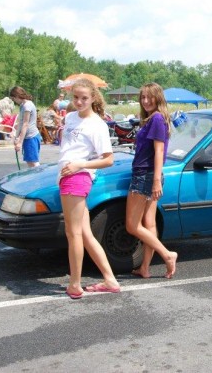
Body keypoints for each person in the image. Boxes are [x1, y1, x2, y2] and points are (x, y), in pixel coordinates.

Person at [59, 78, 121, 299]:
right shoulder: (69, 118)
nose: (79, 101)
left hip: (77, 177)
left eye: (84, 98)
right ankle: (110, 280)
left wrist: (79, 164)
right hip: (68, 175)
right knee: (83, 233)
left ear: (93, 98)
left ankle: (75, 285)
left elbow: (108, 159)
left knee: (73, 233)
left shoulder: (97, 125)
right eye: (75, 97)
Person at [126, 82, 177, 279]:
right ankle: (145, 268)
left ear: (158, 98)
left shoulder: (156, 118)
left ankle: (167, 254)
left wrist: (156, 180)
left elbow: (159, 151)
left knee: (132, 225)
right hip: (149, 175)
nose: (146, 101)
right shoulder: (154, 118)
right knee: (149, 223)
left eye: (150, 97)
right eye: (143, 97)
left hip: (145, 176)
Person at [9, 86, 42, 167]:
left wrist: (20, 142)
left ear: (17, 96)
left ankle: (39, 178)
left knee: (34, 162)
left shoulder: (27, 106)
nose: (14, 101)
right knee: (29, 161)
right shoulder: (22, 106)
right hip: (27, 137)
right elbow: (20, 122)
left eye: (13, 99)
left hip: (31, 137)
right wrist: (17, 137)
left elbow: (25, 124)